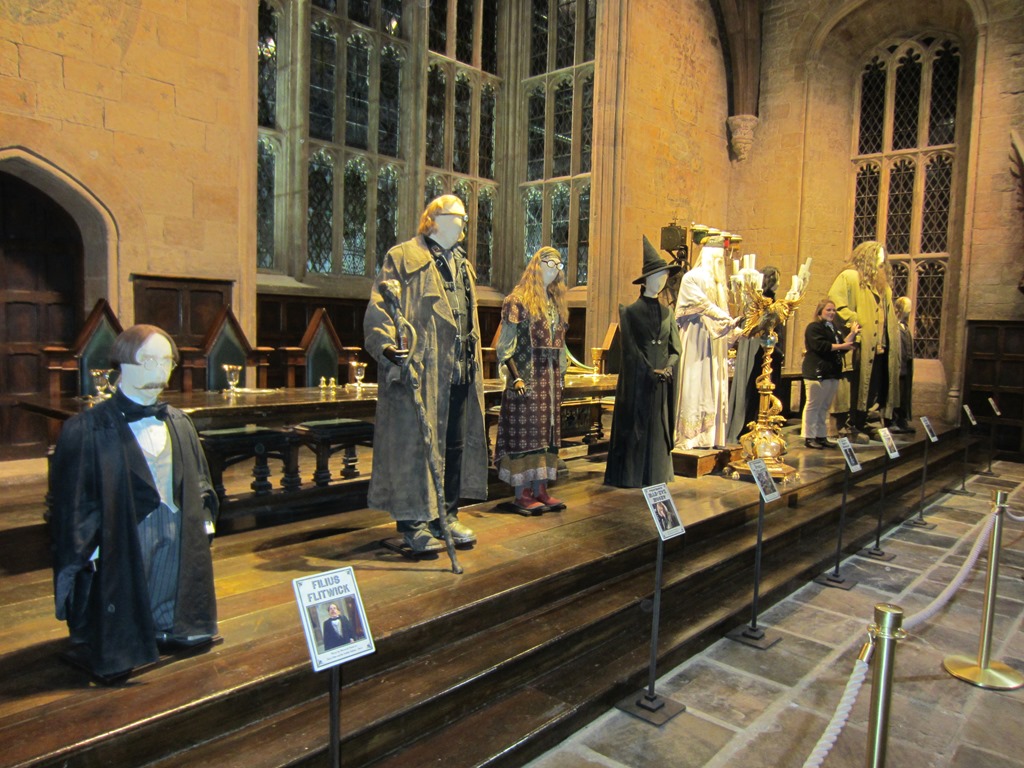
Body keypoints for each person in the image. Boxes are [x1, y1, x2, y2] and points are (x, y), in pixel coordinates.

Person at [48, 324, 219, 681]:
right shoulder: (85, 429)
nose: (159, 371)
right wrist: (88, 543)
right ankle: (127, 639)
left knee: (170, 576)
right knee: (126, 587)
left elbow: (200, 480)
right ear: (123, 362)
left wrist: (203, 519)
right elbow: (72, 500)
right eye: (148, 360)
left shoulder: (180, 423)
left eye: (166, 361)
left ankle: (169, 625)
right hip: (123, 528)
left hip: (175, 521)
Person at [364, 195, 488, 553]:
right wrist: (388, 347)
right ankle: (414, 522)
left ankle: (445, 516)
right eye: (459, 217)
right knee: (416, 447)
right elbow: (380, 307)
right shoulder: (403, 257)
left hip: (459, 369)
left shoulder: (462, 265)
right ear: (436, 219)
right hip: (421, 369)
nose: (464, 224)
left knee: (453, 446)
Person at [494, 246, 569, 513]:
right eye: (549, 263)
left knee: (546, 433)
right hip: (526, 377)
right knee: (524, 436)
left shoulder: (555, 304)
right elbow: (505, 346)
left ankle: (541, 489)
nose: (554, 269)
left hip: (550, 380)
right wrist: (516, 378)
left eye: (559, 265)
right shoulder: (517, 300)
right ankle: (522, 492)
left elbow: (561, 345)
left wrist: (561, 373)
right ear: (537, 265)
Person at [605, 236, 681, 487]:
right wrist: (650, 371)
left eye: (664, 276)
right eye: (657, 276)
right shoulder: (629, 312)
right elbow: (630, 350)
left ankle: (657, 473)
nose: (661, 281)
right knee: (638, 427)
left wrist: (668, 367)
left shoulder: (668, 313)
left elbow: (676, 348)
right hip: (639, 385)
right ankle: (633, 475)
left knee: (658, 428)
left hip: (661, 384)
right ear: (646, 280)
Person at [827, 241, 900, 439]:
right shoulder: (850, 277)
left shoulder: (882, 285)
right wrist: (857, 321)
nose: (881, 264)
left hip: (878, 346)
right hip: (858, 344)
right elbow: (836, 305)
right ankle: (847, 426)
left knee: (874, 386)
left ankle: (869, 421)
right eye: (877, 259)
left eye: (882, 261)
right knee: (852, 386)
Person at [675, 236, 740, 450]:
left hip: (715, 341)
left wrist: (734, 328)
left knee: (713, 384)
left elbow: (723, 311)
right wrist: (724, 318)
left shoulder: (719, 284)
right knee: (695, 382)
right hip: (697, 338)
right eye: (717, 258)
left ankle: (711, 436)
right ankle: (691, 436)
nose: (720, 263)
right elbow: (702, 305)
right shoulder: (692, 277)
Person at [726, 265, 784, 444]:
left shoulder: (769, 302)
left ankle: (763, 426)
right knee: (756, 390)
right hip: (762, 351)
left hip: (769, 352)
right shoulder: (763, 302)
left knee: (764, 390)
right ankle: (751, 426)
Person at [801, 299, 859, 449]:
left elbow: (842, 346)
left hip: (831, 372)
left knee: (824, 406)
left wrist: (852, 333)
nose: (832, 312)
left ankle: (821, 436)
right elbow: (821, 346)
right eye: (828, 310)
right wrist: (842, 345)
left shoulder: (833, 328)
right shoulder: (814, 327)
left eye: (834, 310)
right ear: (820, 311)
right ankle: (809, 437)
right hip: (817, 372)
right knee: (813, 406)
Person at [891, 296, 916, 433]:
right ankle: (893, 420)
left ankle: (902, 419)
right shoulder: (893, 326)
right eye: (907, 307)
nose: (909, 310)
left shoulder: (905, 326)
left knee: (904, 395)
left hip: (906, 366)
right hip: (897, 366)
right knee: (895, 394)